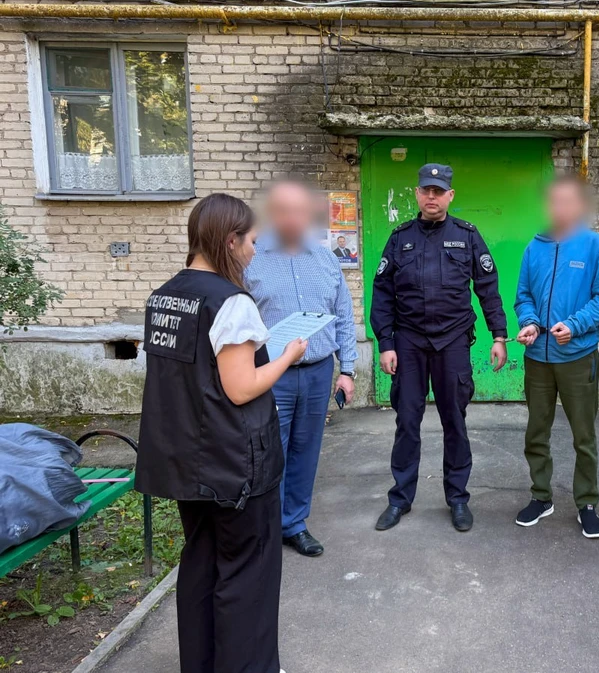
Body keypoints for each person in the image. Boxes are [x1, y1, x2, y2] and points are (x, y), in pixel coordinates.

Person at [136, 193, 307, 673]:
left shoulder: (164, 295)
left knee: (201, 567)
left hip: (187, 465)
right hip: (236, 468)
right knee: (248, 576)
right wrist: (286, 357)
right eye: (251, 241)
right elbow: (240, 387)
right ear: (230, 241)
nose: (254, 251)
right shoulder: (231, 302)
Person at [370, 163, 508, 533]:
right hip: (409, 342)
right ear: (417, 194)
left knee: (455, 423)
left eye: (439, 191)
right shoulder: (400, 238)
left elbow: (488, 288)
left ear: (450, 195)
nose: (431, 197)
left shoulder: (467, 235)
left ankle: (458, 498)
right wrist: (386, 343)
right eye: (426, 190)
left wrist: (498, 336)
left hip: (452, 342)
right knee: (407, 422)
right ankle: (400, 499)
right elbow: (382, 293)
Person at [245, 180, 358, 557]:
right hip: (270, 375)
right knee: (269, 452)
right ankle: (265, 527)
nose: (292, 218)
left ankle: (294, 524)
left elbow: (344, 315)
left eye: (299, 211)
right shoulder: (251, 258)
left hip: (317, 372)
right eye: (284, 210)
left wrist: (347, 370)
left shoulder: (325, 259)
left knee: (305, 450)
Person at [514, 177, 599, 538]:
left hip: (577, 356)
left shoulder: (593, 245)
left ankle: (587, 503)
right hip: (538, 359)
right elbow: (523, 295)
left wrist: (574, 325)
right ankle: (541, 497)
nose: (560, 208)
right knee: (535, 433)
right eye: (554, 201)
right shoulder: (534, 247)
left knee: (583, 436)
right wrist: (529, 323)